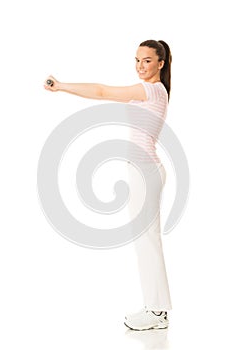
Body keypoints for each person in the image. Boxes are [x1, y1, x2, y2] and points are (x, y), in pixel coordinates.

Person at [44, 39, 172, 331]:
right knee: (146, 243)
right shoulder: (155, 90)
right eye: (137, 60)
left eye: (148, 61)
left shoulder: (150, 89)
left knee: (147, 244)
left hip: (144, 172)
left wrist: (62, 86)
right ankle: (156, 309)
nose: (141, 66)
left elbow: (102, 91)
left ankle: (158, 312)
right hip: (142, 171)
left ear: (161, 64)